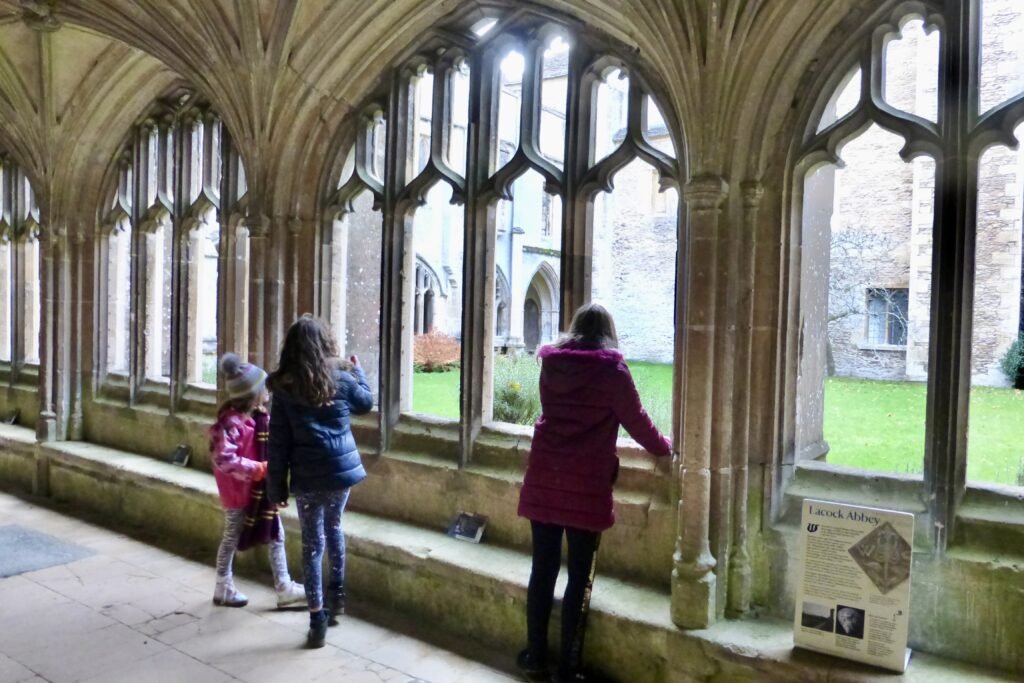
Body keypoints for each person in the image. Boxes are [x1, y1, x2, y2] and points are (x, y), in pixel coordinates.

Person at [516, 303, 672, 683]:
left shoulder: (552, 365)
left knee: (543, 570)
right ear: (608, 333)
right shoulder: (612, 372)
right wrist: (664, 449)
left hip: (545, 477)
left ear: (575, 329)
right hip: (585, 485)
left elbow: (554, 412)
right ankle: (568, 668)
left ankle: (535, 655)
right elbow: (637, 420)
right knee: (580, 578)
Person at [267, 315, 374, 648]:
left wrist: (276, 487)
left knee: (312, 545)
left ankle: (317, 620)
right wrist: (358, 371)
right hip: (339, 472)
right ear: (326, 343)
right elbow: (366, 404)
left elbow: (278, 442)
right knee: (335, 529)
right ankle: (337, 596)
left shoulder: (285, 389)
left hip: (308, 476)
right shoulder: (341, 378)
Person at [210, 353, 306, 609]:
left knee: (276, 534)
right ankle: (223, 585)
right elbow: (224, 458)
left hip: (257, 490)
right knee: (231, 536)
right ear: (252, 394)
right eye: (264, 386)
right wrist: (258, 469)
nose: (268, 390)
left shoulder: (258, 419)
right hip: (238, 493)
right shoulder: (229, 424)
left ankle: (284, 586)